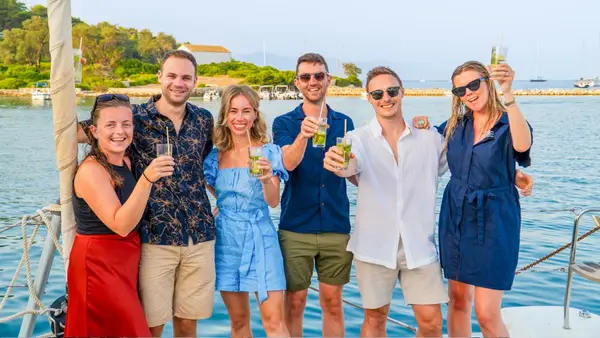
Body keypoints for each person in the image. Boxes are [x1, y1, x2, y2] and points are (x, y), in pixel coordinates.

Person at [77, 50, 215, 337]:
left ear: (195, 82)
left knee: (188, 323)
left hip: (200, 234)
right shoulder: (133, 118)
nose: (179, 83)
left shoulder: (204, 119)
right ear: (160, 77)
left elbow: (204, 164)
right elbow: (75, 133)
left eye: (186, 77)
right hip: (155, 236)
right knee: (150, 326)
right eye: (172, 76)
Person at [323, 66, 449, 337]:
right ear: (368, 98)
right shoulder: (356, 139)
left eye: (392, 91)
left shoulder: (430, 139)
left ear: (402, 92)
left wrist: (514, 173)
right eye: (377, 93)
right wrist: (338, 162)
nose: (386, 98)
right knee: (375, 319)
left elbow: (463, 162)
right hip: (374, 246)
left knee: (432, 322)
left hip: (419, 245)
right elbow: (349, 164)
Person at [414, 60, 533, 337]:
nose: (468, 93)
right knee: (457, 301)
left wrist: (509, 92)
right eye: (460, 91)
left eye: (473, 84)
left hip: (496, 220)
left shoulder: (507, 120)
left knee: (487, 313)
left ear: (486, 81)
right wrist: (419, 123)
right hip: (456, 215)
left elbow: (522, 145)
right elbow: (424, 146)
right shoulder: (456, 124)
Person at [65, 94, 174, 337]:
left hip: (125, 263)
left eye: (126, 124)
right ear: (93, 130)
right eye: (110, 125)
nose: (120, 132)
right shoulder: (91, 170)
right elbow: (121, 225)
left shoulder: (125, 160)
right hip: (98, 263)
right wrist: (147, 179)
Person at [272, 53, 355, 337]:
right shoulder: (284, 123)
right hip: (296, 227)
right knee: (294, 303)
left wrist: (349, 167)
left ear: (329, 80)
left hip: (336, 225)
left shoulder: (345, 122)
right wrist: (303, 136)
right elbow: (287, 164)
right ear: (297, 83)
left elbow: (355, 174)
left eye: (319, 75)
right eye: (306, 77)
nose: (313, 82)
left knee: (333, 304)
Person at [203, 85, 289, 337]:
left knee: (274, 322)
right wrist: (225, 206)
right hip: (227, 240)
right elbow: (211, 185)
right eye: (233, 111)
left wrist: (265, 178)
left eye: (246, 111)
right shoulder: (214, 157)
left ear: (255, 115)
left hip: (260, 236)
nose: (239, 118)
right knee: (239, 322)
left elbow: (273, 202)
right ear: (225, 116)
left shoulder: (268, 151)